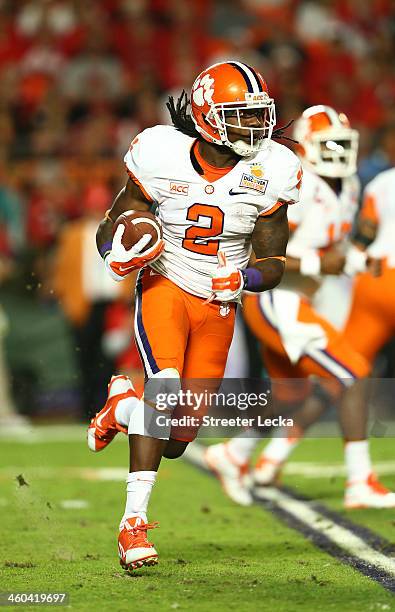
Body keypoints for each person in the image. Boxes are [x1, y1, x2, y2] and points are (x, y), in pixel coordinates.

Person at [87, 61, 303, 571]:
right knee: (163, 390)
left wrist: (244, 279)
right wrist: (115, 255)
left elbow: (273, 262)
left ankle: (121, 408)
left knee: (179, 439)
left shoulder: (273, 167)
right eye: (241, 116)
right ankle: (132, 526)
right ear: (208, 117)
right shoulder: (161, 152)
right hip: (166, 284)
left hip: (219, 304)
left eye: (258, 116)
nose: (255, 128)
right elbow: (112, 224)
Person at [205, 105, 395, 509]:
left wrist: (359, 261)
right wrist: (314, 263)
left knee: (290, 395)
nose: (339, 154)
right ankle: (359, 481)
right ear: (307, 147)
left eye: (344, 145)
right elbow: (262, 255)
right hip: (276, 298)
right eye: (329, 146)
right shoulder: (298, 185)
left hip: (300, 298)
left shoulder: (348, 186)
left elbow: (335, 248)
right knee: (353, 372)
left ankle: (233, 454)